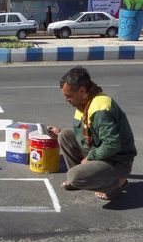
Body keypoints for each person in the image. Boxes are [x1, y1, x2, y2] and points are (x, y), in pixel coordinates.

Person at [47, 66, 137, 200]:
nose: (66, 100)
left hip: (116, 160)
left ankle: (117, 183)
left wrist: (89, 158)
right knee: (65, 135)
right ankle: (83, 179)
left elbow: (112, 144)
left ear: (82, 91)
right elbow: (86, 134)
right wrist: (58, 133)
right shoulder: (83, 102)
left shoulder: (100, 108)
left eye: (69, 96)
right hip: (97, 151)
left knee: (74, 176)